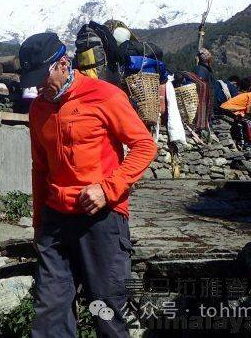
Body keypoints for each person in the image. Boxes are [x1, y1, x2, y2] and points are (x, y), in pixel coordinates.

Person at [20, 32, 156, 338]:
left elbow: (144, 146)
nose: (38, 86)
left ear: (63, 64)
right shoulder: (38, 109)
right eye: (33, 79)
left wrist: (108, 189)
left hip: (102, 218)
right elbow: (40, 168)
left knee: (107, 311)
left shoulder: (105, 95)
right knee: (49, 313)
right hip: (55, 218)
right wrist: (38, 224)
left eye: (43, 77)